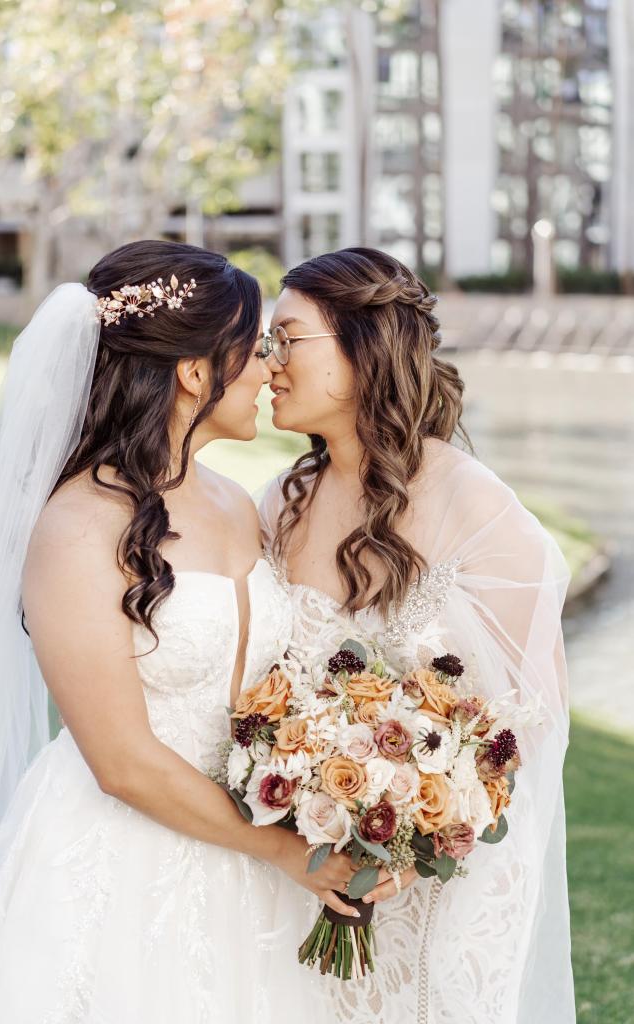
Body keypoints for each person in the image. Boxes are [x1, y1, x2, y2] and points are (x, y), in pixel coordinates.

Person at [0, 241, 359, 1022]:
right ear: (195, 372)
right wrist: (286, 851)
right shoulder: (79, 525)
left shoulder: (237, 503)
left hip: (253, 856)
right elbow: (122, 762)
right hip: (123, 865)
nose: (269, 370)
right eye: (255, 350)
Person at [259, 247, 575, 1024]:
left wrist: (419, 835)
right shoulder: (281, 504)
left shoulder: (473, 502)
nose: (268, 363)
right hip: (304, 867)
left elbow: (530, 715)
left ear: (362, 347)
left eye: (286, 339)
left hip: (438, 882)